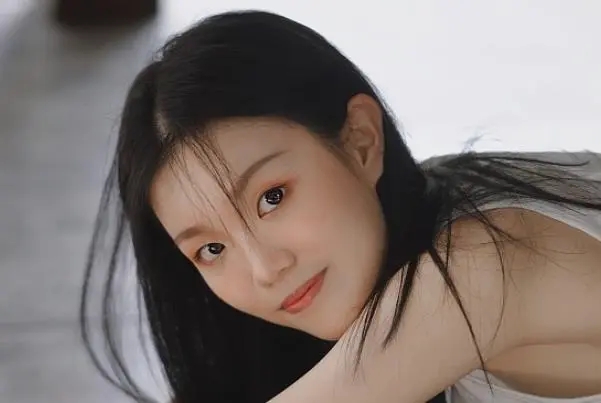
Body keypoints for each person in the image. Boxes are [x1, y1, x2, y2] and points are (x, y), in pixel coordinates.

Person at [80, 10, 601, 403]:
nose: (265, 269)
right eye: (211, 249)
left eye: (271, 198)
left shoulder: (484, 263)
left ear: (360, 140)